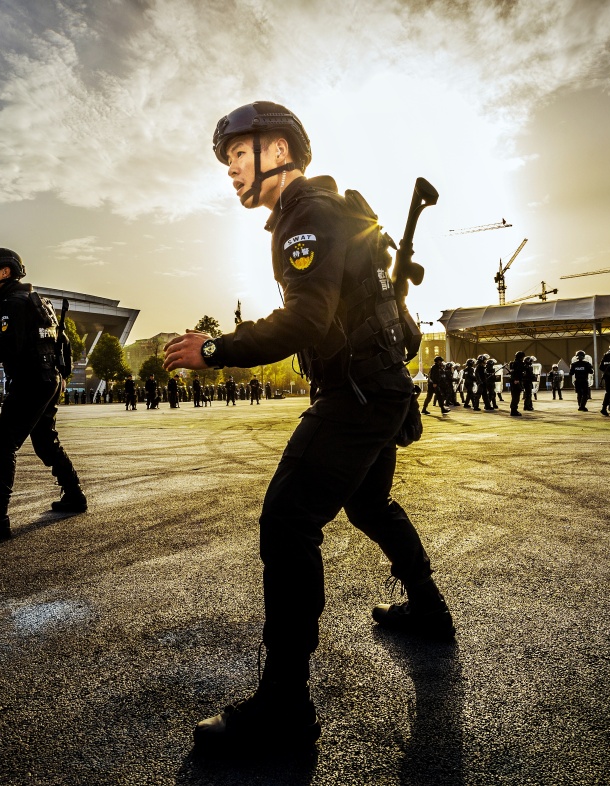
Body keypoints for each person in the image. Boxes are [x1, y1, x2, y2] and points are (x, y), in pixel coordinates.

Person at [164, 100, 451, 755]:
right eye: (229, 159)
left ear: (279, 151)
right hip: (380, 389)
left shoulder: (305, 216)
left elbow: (305, 320)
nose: (231, 169)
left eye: (239, 154)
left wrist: (215, 348)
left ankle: (284, 709)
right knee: (370, 505)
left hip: (356, 396)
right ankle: (428, 608)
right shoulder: (333, 211)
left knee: (287, 522)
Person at [0, 248, 87, 544]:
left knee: (0, 448)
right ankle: (74, 495)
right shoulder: (37, 300)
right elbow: (62, 342)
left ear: (4, 271)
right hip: (47, 379)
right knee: (45, 442)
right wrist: (61, 375)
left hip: (31, 381)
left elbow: (7, 350)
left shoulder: (14, 302)